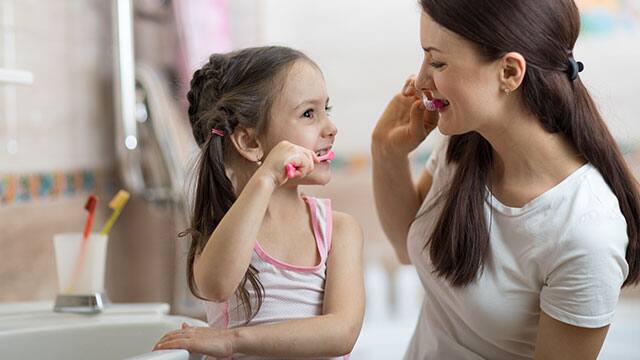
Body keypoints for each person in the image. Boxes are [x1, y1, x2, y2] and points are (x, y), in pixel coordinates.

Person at [371, 1, 640, 359]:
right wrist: (386, 154)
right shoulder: (463, 144)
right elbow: (408, 250)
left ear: (510, 72)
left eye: (437, 62)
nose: (420, 81)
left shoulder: (586, 232)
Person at [154, 46, 364, 359]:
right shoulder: (227, 227)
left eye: (326, 111)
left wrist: (231, 341)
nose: (330, 128)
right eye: (309, 113)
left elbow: (341, 333)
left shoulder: (339, 230)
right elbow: (215, 286)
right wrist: (266, 178)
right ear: (251, 142)